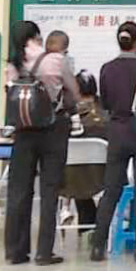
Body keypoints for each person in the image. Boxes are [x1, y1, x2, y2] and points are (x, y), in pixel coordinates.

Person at [3, 20, 78, 265]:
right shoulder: (55, 60)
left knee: (19, 191)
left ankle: (15, 251)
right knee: (50, 190)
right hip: (53, 128)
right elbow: (74, 91)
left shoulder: (12, 64)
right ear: (37, 36)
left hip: (23, 131)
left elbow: (9, 95)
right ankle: (44, 252)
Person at [90, 22, 136, 263]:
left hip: (117, 132)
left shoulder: (107, 68)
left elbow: (106, 102)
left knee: (111, 189)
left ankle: (98, 246)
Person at [58, 70, 107, 234]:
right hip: (102, 179)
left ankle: (69, 212)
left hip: (70, 181)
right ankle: (97, 226)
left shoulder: (67, 116)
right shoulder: (106, 115)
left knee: (76, 173)